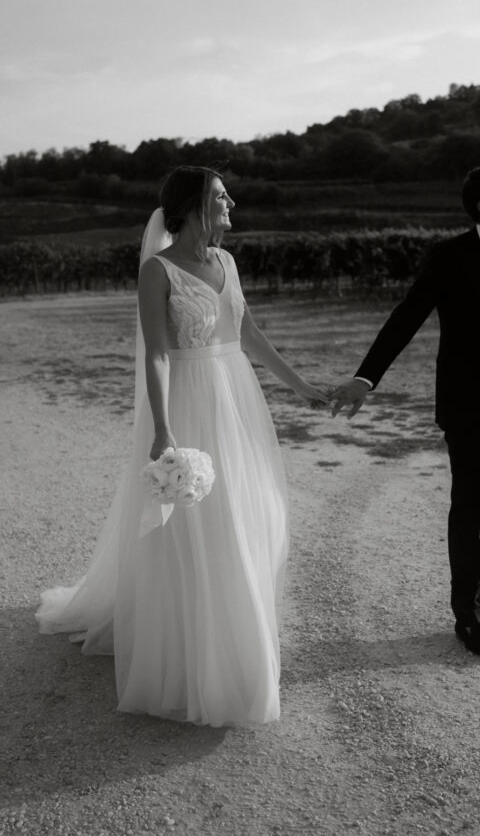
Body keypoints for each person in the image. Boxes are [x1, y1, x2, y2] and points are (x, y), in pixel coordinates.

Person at [37, 166, 328, 725]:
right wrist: (164, 429)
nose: (231, 203)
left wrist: (302, 387)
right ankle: (199, 653)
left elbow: (248, 333)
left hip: (237, 397)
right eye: (220, 197)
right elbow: (157, 354)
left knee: (254, 510)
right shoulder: (158, 270)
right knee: (198, 526)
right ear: (193, 206)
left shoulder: (228, 263)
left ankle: (239, 640)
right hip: (190, 401)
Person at [331, 163, 480, 658]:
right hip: (468, 400)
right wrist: (366, 378)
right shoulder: (449, 256)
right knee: (469, 505)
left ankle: (478, 581)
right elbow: (407, 316)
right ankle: (466, 616)